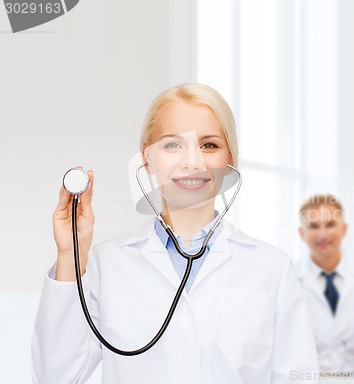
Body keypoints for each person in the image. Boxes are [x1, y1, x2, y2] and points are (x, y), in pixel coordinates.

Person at [31, 83, 319, 384]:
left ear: (229, 159)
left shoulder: (271, 268)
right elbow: (54, 377)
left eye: (209, 145)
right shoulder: (106, 264)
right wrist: (69, 257)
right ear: (147, 159)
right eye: (172, 145)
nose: (192, 162)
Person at [295, 194, 354, 374]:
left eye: (330, 225)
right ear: (302, 233)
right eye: (314, 226)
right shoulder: (288, 280)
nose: (322, 234)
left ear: (344, 229)